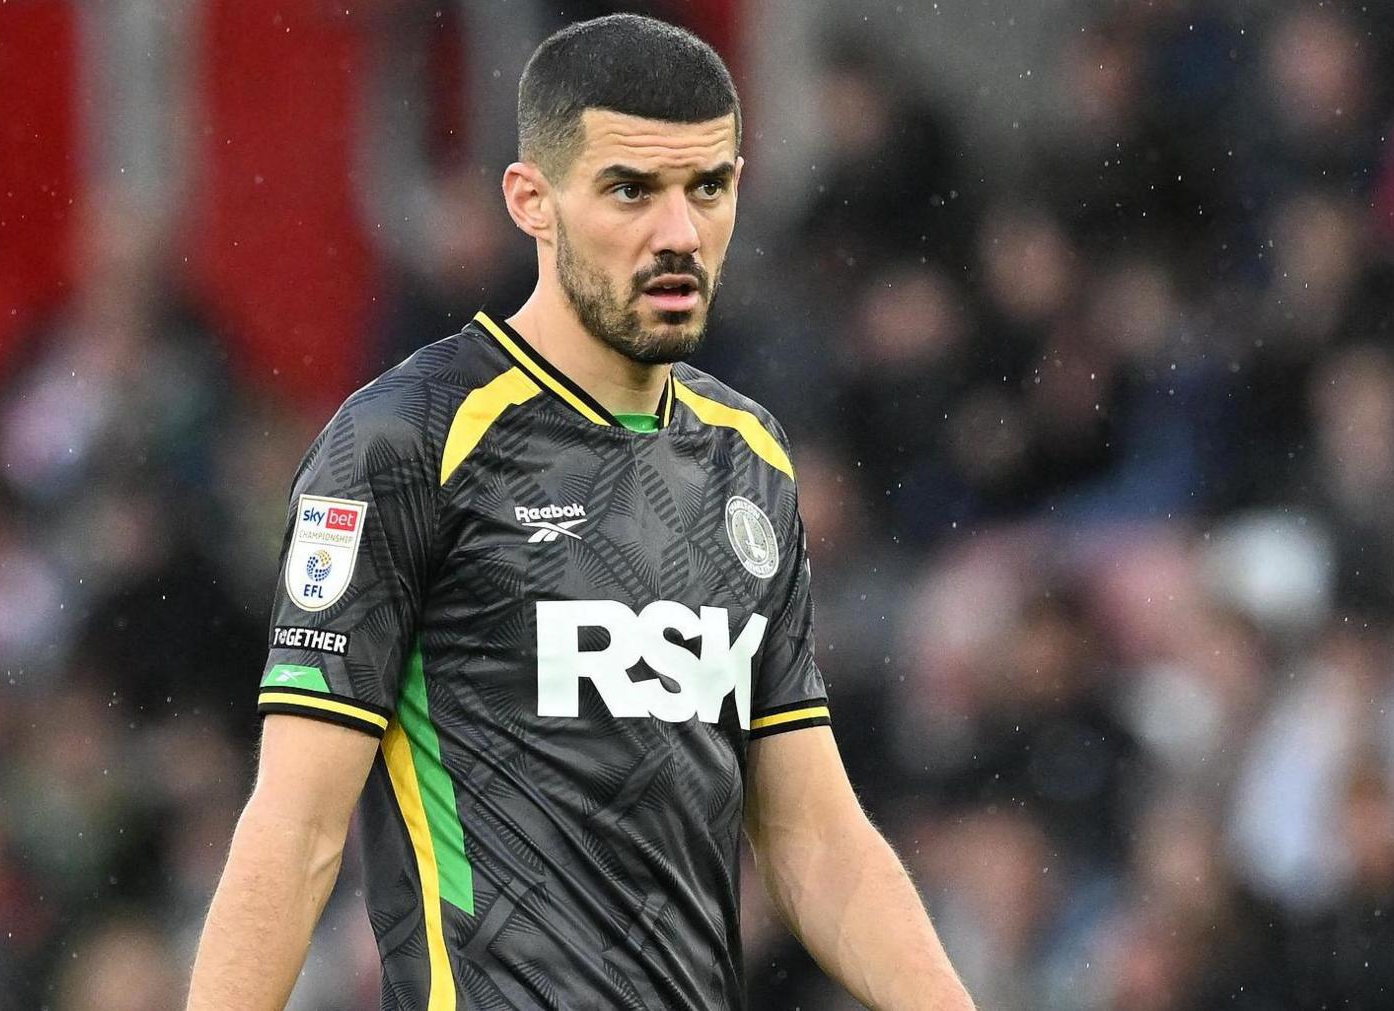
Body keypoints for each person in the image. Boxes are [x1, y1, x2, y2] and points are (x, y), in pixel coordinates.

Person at [185, 14, 976, 1011]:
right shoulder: (406, 443)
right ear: (533, 201)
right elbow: (296, 829)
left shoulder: (751, 458)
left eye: (708, 188)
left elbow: (814, 837)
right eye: (631, 190)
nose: (679, 233)